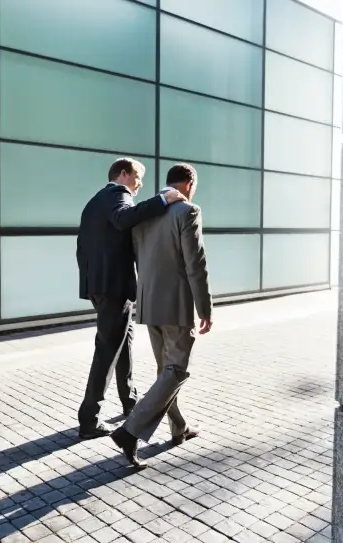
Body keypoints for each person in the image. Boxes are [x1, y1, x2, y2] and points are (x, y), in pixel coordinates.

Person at [110, 163, 213, 467]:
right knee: (177, 370)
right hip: (176, 306)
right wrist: (204, 308)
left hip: (149, 304)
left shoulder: (145, 213)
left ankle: (177, 427)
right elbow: (196, 264)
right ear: (189, 185)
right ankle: (130, 432)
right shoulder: (188, 211)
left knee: (164, 371)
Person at [76, 158, 186, 440]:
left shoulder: (94, 201)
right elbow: (124, 218)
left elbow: (83, 248)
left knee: (123, 344)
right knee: (107, 352)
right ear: (123, 174)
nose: (139, 184)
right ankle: (89, 419)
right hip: (113, 288)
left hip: (102, 287)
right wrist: (162, 200)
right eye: (138, 177)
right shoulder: (117, 195)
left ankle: (130, 402)